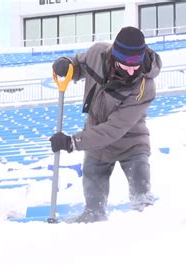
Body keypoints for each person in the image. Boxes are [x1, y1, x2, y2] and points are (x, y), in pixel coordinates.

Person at [50, 26, 162, 223]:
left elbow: (114, 129)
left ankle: (152, 229)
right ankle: (91, 224)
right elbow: (79, 64)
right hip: (97, 147)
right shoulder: (97, 53)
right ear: (115, 55)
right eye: (126, 64)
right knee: (93, 211)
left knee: (142, 203)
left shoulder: (145, 87)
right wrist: (68, 65)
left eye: (136, 64)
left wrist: (73, 142)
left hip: (132, 144)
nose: (131, 70)